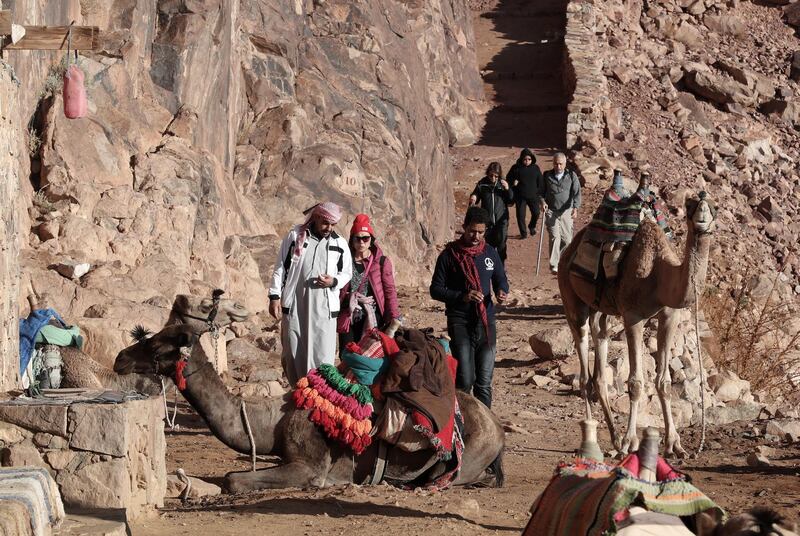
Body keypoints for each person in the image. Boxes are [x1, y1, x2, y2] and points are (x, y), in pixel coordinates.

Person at [430, 206, 509, 408]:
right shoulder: (449, 256)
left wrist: (501, 291)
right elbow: (436, 290)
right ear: (464, 227)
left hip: (486, 322)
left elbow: (501, 278)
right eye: (472, 231)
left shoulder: (490, 253)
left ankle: (486, 429)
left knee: (484, 382)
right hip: (460, 322)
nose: (476, 236)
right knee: (465, 379)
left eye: (481, 232)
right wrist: (462, 296)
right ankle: (461, 424)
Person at [268, 202, 353, 385]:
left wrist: (333, 282)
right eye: (324, 223)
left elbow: (347, 272)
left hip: (324, 307)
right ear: (315, 218)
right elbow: (281, 266)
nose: (328, 228)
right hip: (296, 303)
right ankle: (297, 392)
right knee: (293, 352)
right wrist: (275, 296)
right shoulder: (295, 236)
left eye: (332, 224)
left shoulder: (339, 243)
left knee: (322, 353)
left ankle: (317, 396)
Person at [338, 213, 401, 347]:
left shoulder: (382, 262)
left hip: (373, 314)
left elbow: (390, 290)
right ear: (352, 240)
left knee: (368, 352)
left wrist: (394, 316)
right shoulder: (344, 261)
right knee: (347, 353)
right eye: (358, 238)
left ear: (371, 239)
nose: (361, 242)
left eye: (365, 238)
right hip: (348, 313)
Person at [540, 152, 581, 274]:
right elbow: (541, 193)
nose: (558, 167)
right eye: (556, 164)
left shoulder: (571, 175)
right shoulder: (547, 175)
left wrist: (576, 207)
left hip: (566, 211)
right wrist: (542, 202)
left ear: (565, 164)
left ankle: (564, 261)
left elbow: (577, 192)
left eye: (560, 164)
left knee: (567, 240)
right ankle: (554, 265)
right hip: (551, 211)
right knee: (555, 237)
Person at [469, 162, 513, 263]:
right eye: (491, 175)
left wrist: (507, 189)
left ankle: (501, 268)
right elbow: (476, 193)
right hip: (487, 221)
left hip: (501, 220)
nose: (493, 178)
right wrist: (474, 197)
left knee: (501, 244)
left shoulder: (503, 184)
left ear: (499, 175)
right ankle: (490, 267)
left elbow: (511, 200)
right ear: (487, 173)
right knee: (488, 246)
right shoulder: (482, 183)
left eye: (496, 176)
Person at [507, 148, 543, 239]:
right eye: (525, 159)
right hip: (520, 197)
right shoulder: (515, 168)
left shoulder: (535, 168)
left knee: (536, 213)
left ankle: (532, 226)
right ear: (521, 159)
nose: (527, 161)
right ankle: (523, 234)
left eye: (529, 159)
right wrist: (513, 182)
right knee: (520, 216)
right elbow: (508, 179)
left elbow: (540, 182)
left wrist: (540, 194)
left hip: (533, 196)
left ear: (532, 159)